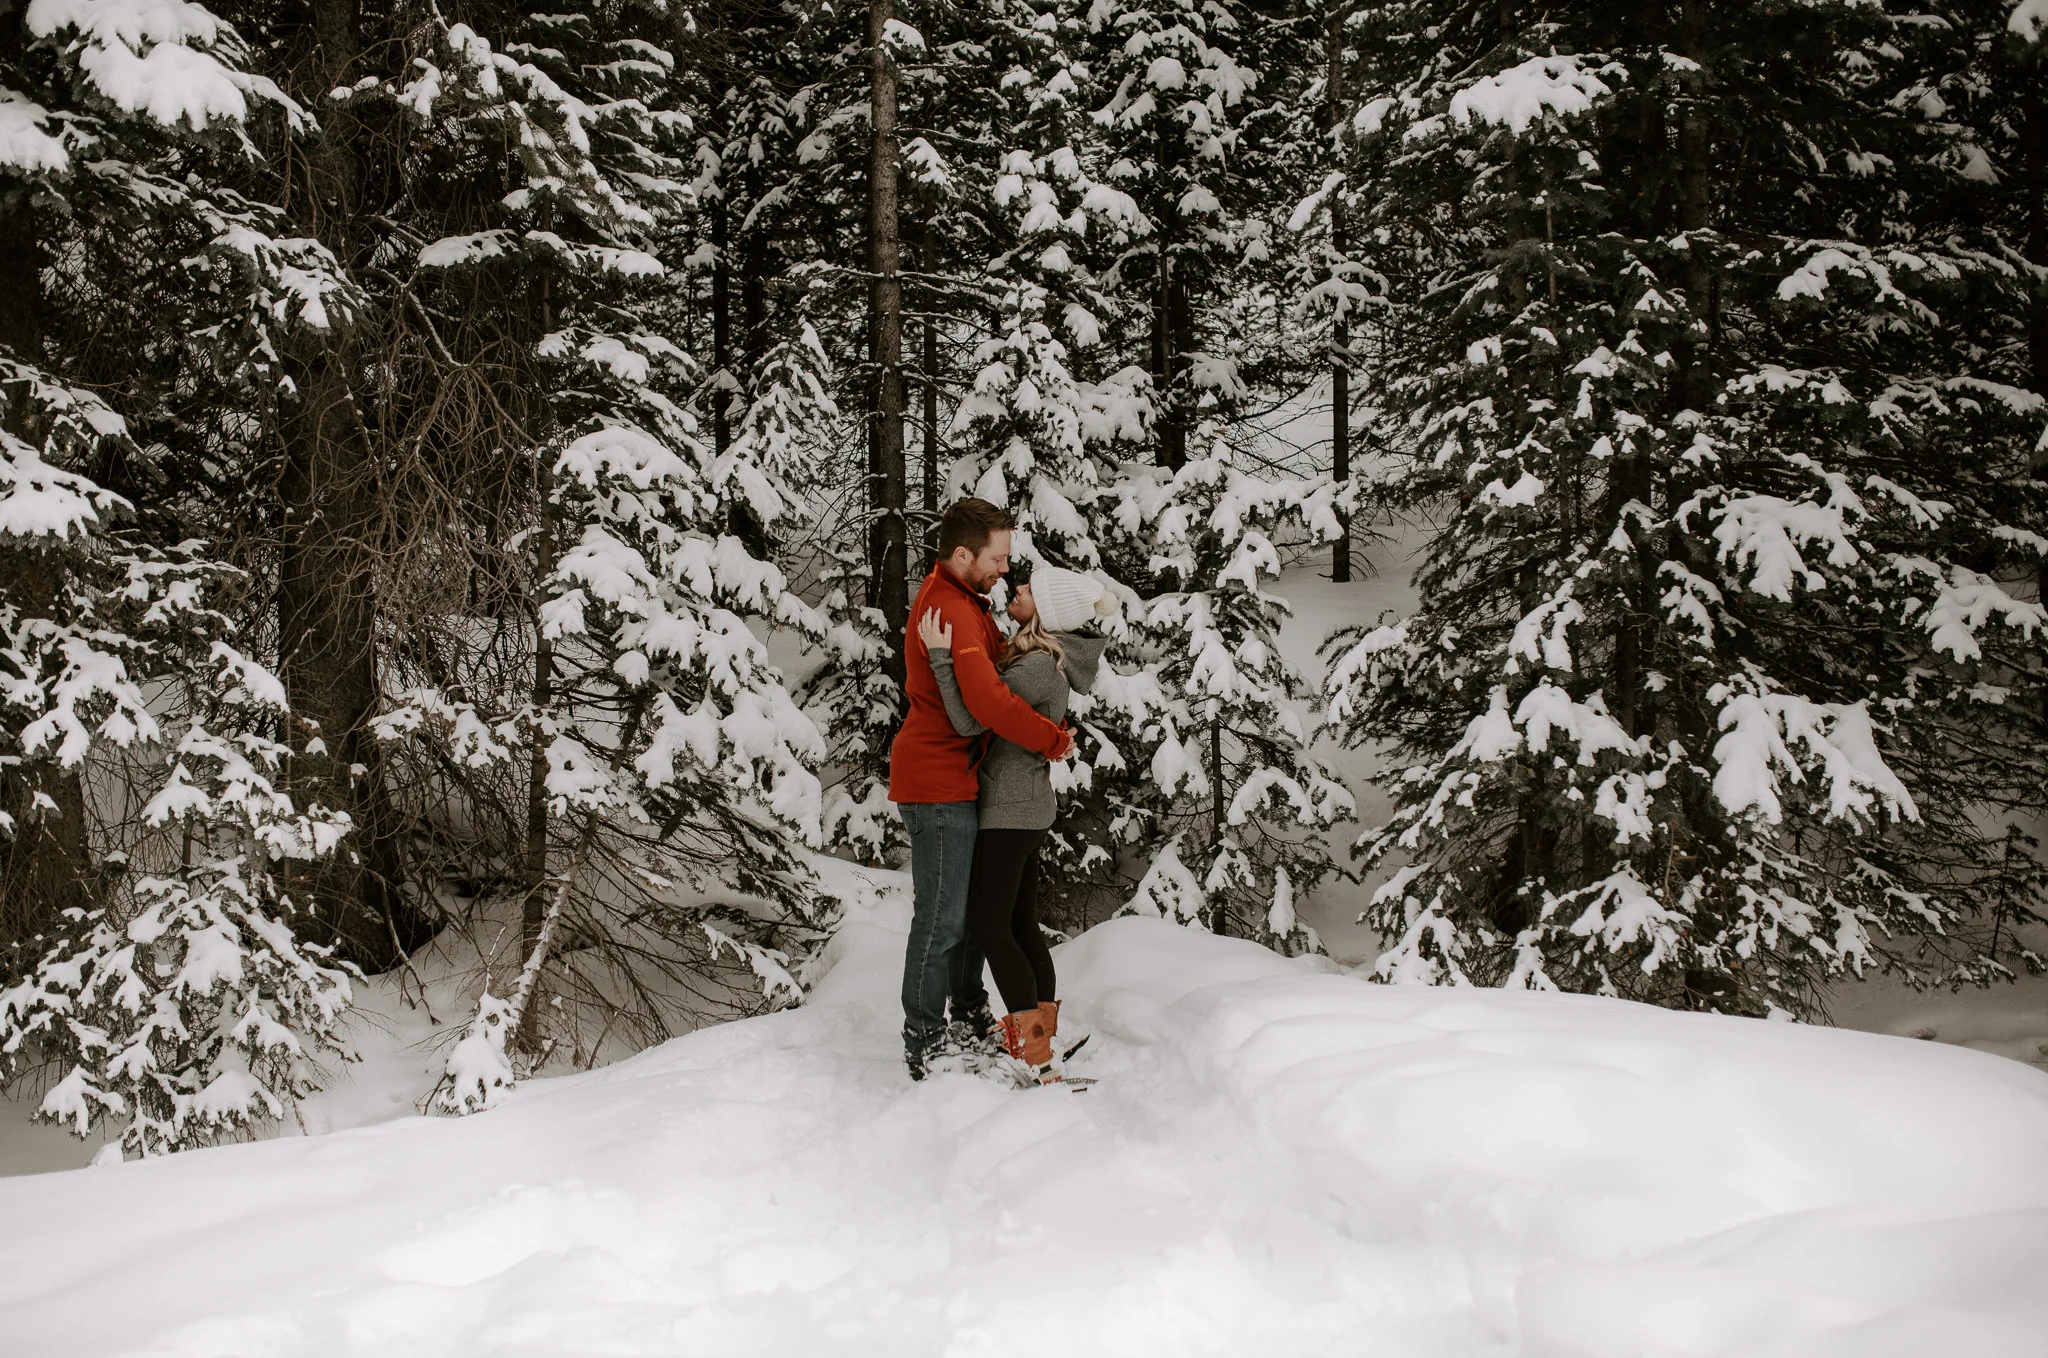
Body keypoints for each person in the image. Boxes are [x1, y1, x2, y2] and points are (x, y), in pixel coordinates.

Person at [889, 499, 1076, 1081]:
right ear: (963, 554)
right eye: (997, 558)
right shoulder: (951, 608)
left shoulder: (966, 604)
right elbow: (987, 706)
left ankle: (969, 1016)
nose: (1004, 569)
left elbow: (999, 683)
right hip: (938, 779)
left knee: (969, 917)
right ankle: (925, 1040)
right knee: (942, 920)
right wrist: (1051, 739)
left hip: (962, 778)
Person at [920, 563, 1114, 1084]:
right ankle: (1043, 1038)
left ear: (1044, 612)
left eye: (1028, 589)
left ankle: (1034, 1050)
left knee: (991, 927)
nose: (1018, 588)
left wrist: (941, 657)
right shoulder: (1042, 661)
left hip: (1009, 811)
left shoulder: (1035, 668)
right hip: (1025, 808)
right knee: (1020, 926)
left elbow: (969, 718)